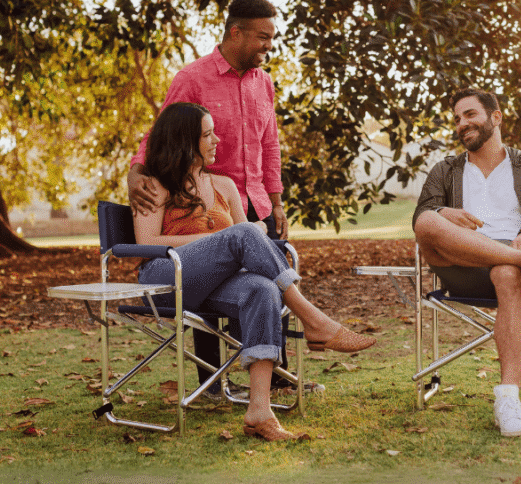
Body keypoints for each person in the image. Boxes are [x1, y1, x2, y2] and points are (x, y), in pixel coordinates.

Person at [134, 102, 375, 441]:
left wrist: (241, 238)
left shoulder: (225, 186)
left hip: (211, 284)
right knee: (246, 231)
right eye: (207, 134)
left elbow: (238, 248)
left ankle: (260, 410)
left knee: (261, 288)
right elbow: (146, 243)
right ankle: (315, 321)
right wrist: (228, 236)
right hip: (163, 278)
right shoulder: (154, 186)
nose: (217, 140)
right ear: (185, 142)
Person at [126, 0, 293, 394]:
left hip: (251, 197)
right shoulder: (194, 78)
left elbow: (270, 144)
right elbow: (163, 130)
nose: (269, 46)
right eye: (262, 37)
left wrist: (277, 199)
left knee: (265, 275)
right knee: (211, 280)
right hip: (200, 193)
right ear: (236, 32)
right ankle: (212, 381)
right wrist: (135, 170)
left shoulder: (264, 83)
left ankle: (276, 378)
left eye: (272, 37)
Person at [411, 88, 521, 437]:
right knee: (427, 221)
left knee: (506, 271)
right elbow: (422, 219)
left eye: (470, 114)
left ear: (496, 117)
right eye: (457, 118)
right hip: (464, 263)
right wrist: (445, 212)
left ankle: (508, 400)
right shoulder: (446, 171)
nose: (462, 123)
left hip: (516, 268)